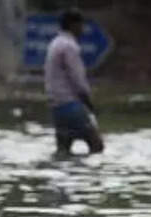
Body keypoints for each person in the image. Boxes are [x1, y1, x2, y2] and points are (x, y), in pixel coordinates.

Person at [44, 8, 104, 156]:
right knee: (97, 146)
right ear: (73, 25)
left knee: (63, 151)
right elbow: (78, 79)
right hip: (72, 106)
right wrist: (89, 103)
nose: (83, 29)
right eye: (81, 25)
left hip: (57, 107)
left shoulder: (55, 44)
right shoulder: (70, 46)